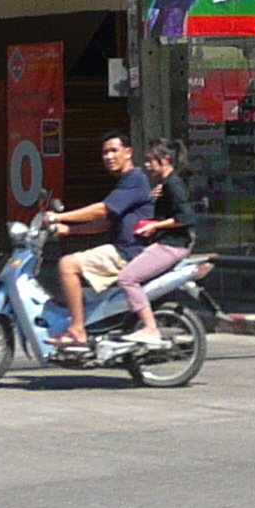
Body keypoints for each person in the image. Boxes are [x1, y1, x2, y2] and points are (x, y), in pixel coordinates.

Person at [40, 134, 155, 359]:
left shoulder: (135, 179)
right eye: (105, 152)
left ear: (128, 152)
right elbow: (104, 222)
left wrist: (58, 217)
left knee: (67, 265)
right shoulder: (125, 182)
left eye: (114, 150)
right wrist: (70, 230)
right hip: (121, 248)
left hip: (127, 252)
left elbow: (102, 210)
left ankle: (77, 331)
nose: (109, 156)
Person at [112, 139, 197, 352]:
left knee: (127, 278)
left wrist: (157, 225)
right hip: (165, 243)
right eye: (147, 160)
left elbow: (186, 217)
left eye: (151, 160)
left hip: (172, 245)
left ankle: (150, 328)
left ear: (166, 159)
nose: (147, 165)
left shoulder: (173, 183)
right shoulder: (165, 185)